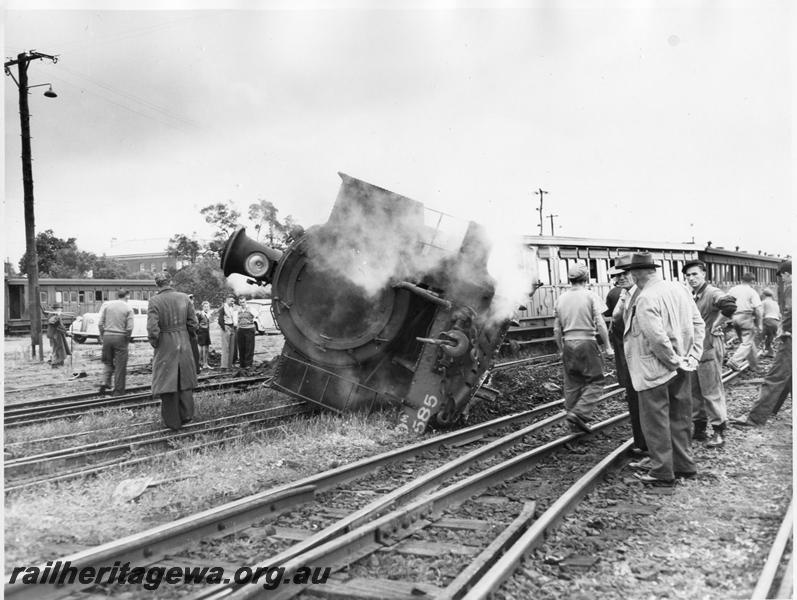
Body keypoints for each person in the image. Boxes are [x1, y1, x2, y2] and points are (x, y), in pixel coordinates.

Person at [620, 252, 705, 485]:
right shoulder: (680, 289)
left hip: (655, 368)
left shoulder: (646, 297)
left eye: (629, 272)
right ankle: (685, 465)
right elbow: (699, 323)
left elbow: (656, 339)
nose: (629, 277)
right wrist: (692, 356)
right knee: (680, 417)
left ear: (636, 273)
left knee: (655, 422)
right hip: (683, 364)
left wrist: (672, 360)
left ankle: (662, 472)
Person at [682, 260, 737, 448]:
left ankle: (719, 430)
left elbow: (729, 305)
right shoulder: (692, 294)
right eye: (688, 275)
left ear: (703, 274)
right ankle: (699, 428)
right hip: (695, 349)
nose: (691, 278)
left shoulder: (711, 292)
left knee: (711, 390)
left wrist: (717, 324)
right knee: (695, 390)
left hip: (709, 347)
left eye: (695, 274)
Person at [553, 263, 613, 433]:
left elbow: (556, 328)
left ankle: (573, 422)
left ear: (570, 279)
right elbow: (600, 323)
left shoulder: (561, 298)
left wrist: (561, 349)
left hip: (568, 344)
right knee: (596, 381)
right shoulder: (591, 296)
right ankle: (580, 413)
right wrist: (608, 346)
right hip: (587, 342)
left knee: (573, 383)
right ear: (586, 278)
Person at [732, 260, 792, 427]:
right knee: (789, 378)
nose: (783, 280)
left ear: (787, 274)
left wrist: (785, 329)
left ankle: (755, 418)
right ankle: (770, 409)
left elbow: (791, 310)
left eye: (783, 277)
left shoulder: (791, 287)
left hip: (790, 339)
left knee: (774, 377)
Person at [147, 272, 198, 430]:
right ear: (170, 281)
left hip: (165, 344)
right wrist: (188, 339)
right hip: (184, 342)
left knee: (167, 383)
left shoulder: (154, 301)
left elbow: (152, 329)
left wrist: (156, 343)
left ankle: (172, 421)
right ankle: (187, 415)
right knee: (184, 380)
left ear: (157, 284)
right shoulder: (184, 298)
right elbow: (193, 323)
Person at [608, 254, 647, 454]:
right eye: (617, 275)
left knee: (643, 405)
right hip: (628, 360)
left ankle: (647, 445)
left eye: (625, 274)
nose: (621, 278)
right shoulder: (624, 295)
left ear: (634, 273)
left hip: (641, 360)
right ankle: (641, 444)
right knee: (634, 403)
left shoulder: (641, 294)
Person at [97, 289, 134, 395]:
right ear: (127, 296)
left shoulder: (108, 306)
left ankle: (105, 381)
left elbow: (100, 324)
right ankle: (118, 391)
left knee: (108, 362)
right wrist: (126, 339)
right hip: (121, 338)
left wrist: (103, 335)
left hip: (107, 337)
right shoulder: (128, 308)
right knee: (120, 365)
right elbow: (129, 328)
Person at [727, 272, 763, 370]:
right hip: (746, 316)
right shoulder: (751, 291)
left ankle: (754, 365)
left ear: (741, 280)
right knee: (747, 343)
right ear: (752, 281)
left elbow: (725, 303)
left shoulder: (732, 290)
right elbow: (758, 309)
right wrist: (759, 324)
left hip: (734, 317)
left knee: (746, 342)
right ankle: (735, 360)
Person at [46, 303, 71, 368]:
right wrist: (58, 316)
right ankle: (54, 363)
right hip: (54, 335)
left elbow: (60, 325)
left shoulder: (56, 315)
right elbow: (53, 322)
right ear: (56, 309)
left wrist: (66, 331)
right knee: (56, 349)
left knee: (60, 349)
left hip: (58, 334)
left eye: (60, 309)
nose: (61, 311)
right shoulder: (52, 315)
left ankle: (59, 362)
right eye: (59, 309)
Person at [218, 295, 238, 368]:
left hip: (232, 327)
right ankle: (224, 366)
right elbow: (220, 320)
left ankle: (229, 365)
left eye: (233, 300)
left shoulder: (234, 308)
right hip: (226, 327)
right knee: (225, 347)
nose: (232, 302)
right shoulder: (223, 308)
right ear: (227, 300)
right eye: (231, 300)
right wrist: (224, 328)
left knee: (232, 347)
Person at [236, 298, 257, 368]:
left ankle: (248, 364)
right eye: (241, 302)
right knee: (241, 347)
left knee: (249, 347)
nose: (242, 304)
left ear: (246, 302)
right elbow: (235, 319)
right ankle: (242, 364)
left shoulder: (251, 309)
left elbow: (257, 315)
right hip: (241, 330)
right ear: (239, 303)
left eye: (243, 302)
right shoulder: (238, 310)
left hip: (249, 329)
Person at [760, 289, 780, 358]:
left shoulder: (764, 302)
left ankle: (753, 353)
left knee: (759, 337)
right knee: (770, 338)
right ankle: (770, 352)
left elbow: (761, 313)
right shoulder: (775, 303)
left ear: (764, 295)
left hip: (768, 320)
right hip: (776, 322)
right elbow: (779, 314)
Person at [197, 301, 213, 369]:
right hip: (201, 333)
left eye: (207, 307)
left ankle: (205, 364)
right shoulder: (199, 314)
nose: (206, 308)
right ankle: (199, 364)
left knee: (206, 349)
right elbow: (196, 324)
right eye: (205, 307)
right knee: (200, 350)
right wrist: (198, 332)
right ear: (202, 307)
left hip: (207, 333)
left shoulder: (208, 314)